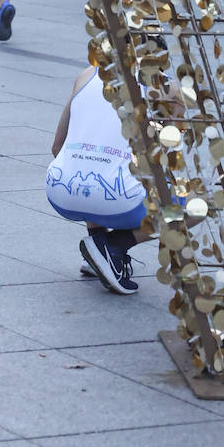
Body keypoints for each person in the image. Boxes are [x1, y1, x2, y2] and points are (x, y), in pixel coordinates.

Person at [47, 65, 149, 294]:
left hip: (60, 190)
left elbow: (57, 147)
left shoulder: (86, 75)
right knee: (199, 203)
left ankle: (98, 244)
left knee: (94, 168)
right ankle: (114, 246)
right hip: (117, 198)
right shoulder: (162, 85)